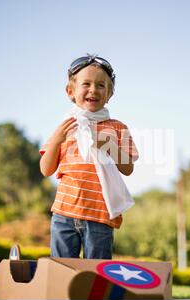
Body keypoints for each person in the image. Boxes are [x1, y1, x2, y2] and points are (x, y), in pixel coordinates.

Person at [39, 54, 139, 259]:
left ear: (109, 94)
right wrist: (57, 140)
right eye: (86, 84)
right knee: (61, 270)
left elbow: (128, 168)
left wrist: (108, 144)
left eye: (101, 85)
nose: (93, 89)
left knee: (96, 275)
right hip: (65, 213)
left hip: (100, 215)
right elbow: (46, 169)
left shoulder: (117, 128)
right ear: (71, 91)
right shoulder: (65, 126)